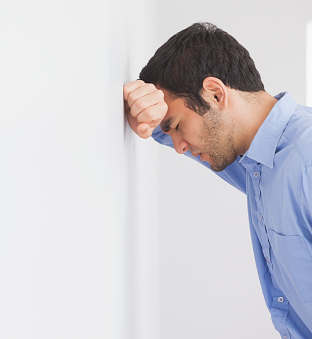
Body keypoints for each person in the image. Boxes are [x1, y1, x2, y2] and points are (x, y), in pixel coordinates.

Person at [123, 22, 312, 338]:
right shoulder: (255, 161)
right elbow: (158, 129)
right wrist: (144, 113)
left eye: (177, 126)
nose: (180, 147)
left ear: (215, 93)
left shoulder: (305, 161)